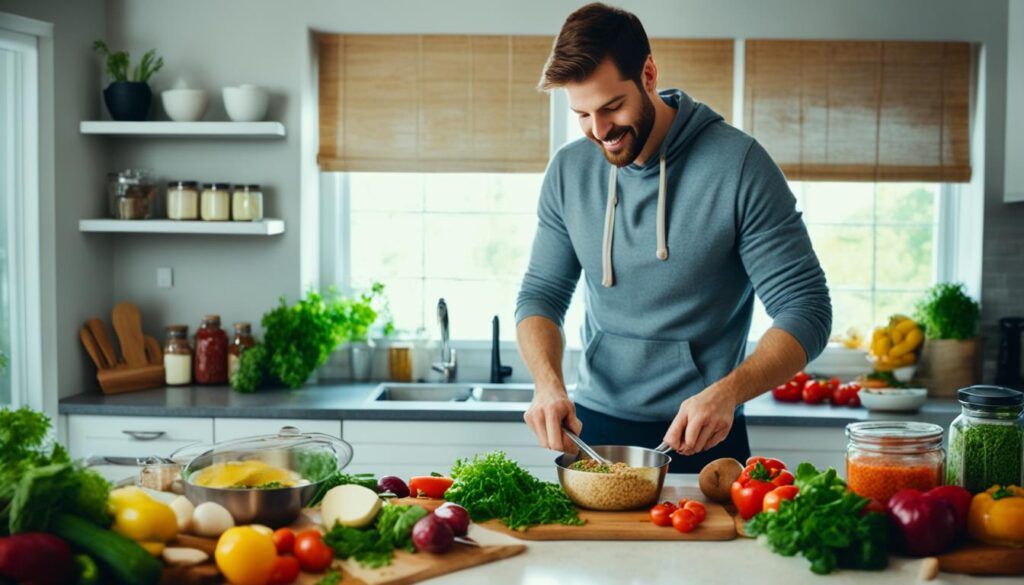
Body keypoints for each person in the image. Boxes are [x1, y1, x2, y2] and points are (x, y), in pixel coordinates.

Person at [515, 3, 832, 472]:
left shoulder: (738, 165)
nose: (599, 132)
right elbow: (541, 295)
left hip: (705, 435)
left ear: (648, 73)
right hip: (592, 432)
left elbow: (806, 309)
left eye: (611, 107)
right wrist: (548, 385)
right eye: (581, 113)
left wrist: (727, 393)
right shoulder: (569, 170)